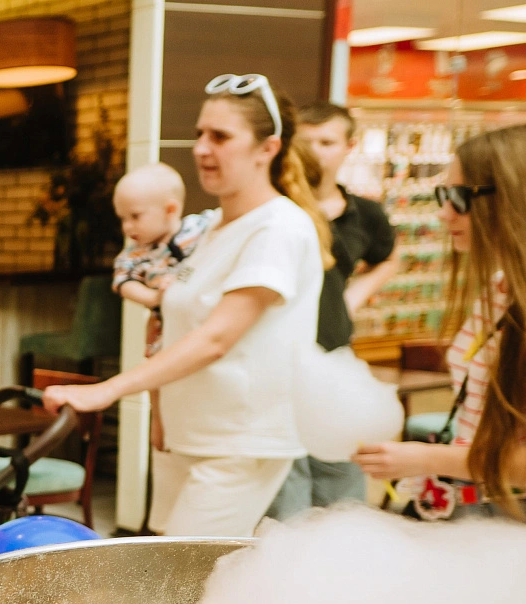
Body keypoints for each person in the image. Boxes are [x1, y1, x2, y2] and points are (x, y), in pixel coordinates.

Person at [45, 73, 333, 537]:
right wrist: (161, 414)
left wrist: (107, 391)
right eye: (200, 134)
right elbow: (169, 326)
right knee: (168, 569)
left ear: (267, 148)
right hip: (185, 435)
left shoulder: (278, 228)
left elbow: (216, 338)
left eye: (220, 136)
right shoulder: (207, 229)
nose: (201, 148)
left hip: (238, 442)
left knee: (188, 576)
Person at [352, 123, 526, 550]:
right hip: (496, 521)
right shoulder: (502, 291)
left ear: (515, 200)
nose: (445, 213)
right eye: (443, 195)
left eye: (460, 197)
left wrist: (426, 457)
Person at [268, 103, 400, 517]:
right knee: (286, 499)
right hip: (280, 364)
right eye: (306, 142)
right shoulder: (277, 212)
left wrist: (352, 298)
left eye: (326, 142)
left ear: (348, 147)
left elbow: (388, 257)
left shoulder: (365, 213)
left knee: (342, 493)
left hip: (333, 360)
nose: (316, 152)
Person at [112, 162, 214, 355]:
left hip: (203, 318)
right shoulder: (134, 254)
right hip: (166, 327)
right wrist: (154, 298)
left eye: (135, 216)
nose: (127, 226)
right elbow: (124, 283)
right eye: (123, 218)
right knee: (164, 363)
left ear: (170, 210)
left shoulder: (199, 226)